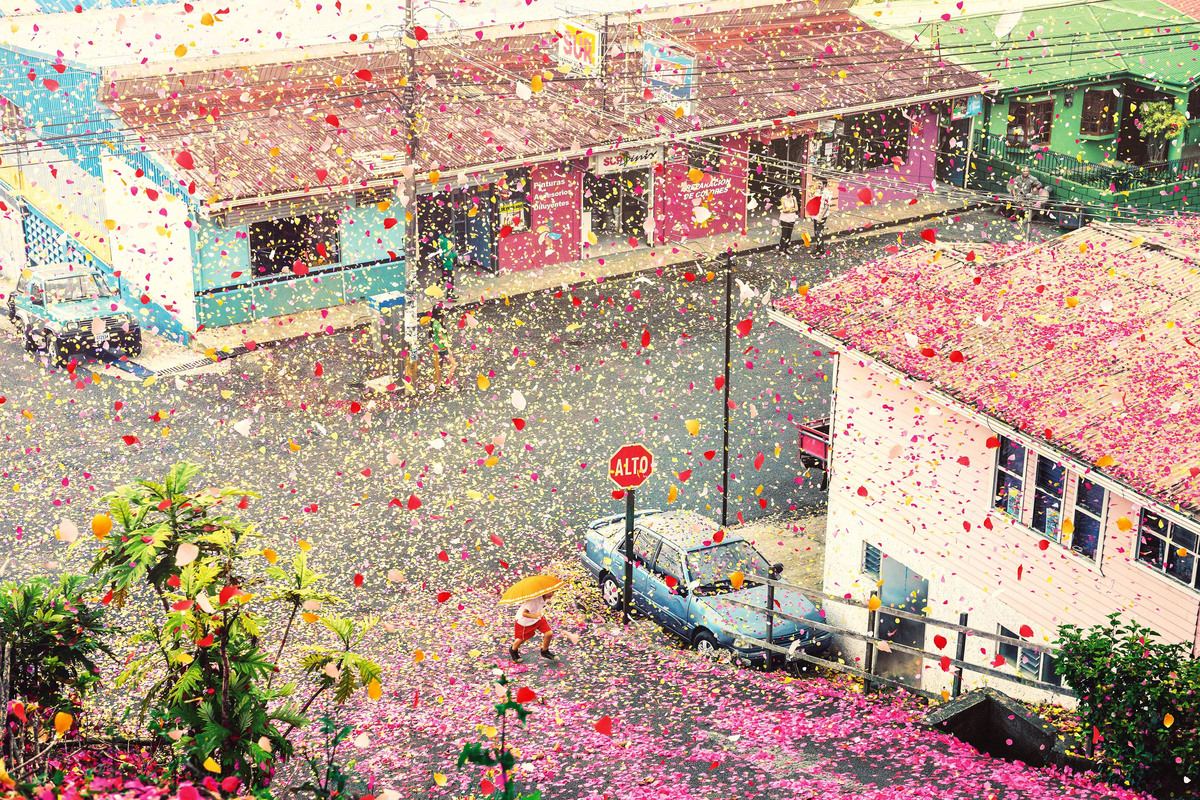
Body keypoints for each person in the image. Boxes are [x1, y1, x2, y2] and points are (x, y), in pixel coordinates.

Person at [510, 591, 556, 662]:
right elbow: (524, 613)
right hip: (525, 621)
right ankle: (513, 650)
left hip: (538, 618)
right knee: (522, 638)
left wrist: (548, 603)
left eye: (553, 592)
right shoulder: (533, 600)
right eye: (550, 592)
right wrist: (535, 616)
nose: (552, 594)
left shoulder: (545, 597)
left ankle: (545, 651)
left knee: (549, 633)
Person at [428, 306, 456, 387]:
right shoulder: (438, 324)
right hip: (442, 347)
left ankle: (439, 384)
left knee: (439, 366)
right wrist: (448, 348)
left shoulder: (434, 322)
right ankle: (448, 384)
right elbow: (441, 336)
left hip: (437, 347)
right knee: (454, 365)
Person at [812, 178, 833, 254]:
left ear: (824, 184)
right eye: (818, 183)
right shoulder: (817, 192)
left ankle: (821, 250)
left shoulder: (827, 193)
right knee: (816, 232)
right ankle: (818, 248)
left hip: (822, 215)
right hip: (816, 214)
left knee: (818, 232)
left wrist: (820, 217)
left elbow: (826, 207)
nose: (818, 185)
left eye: (820, 184)